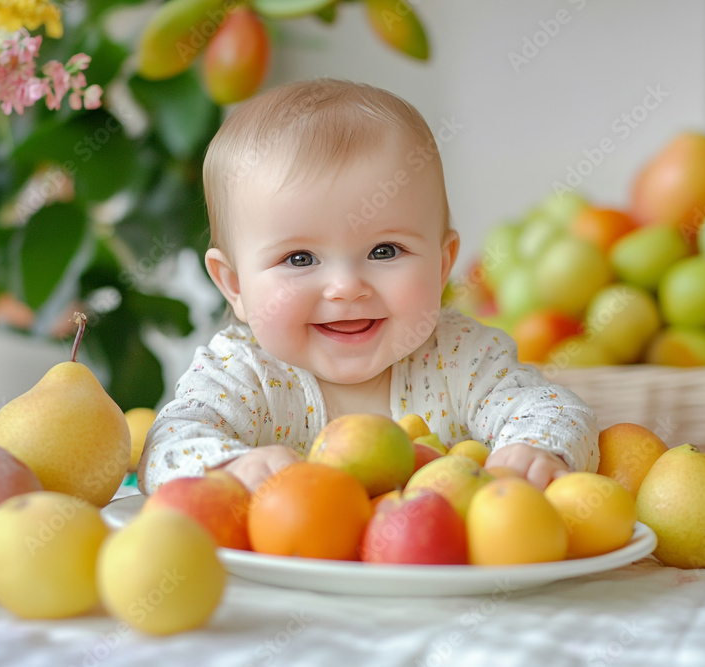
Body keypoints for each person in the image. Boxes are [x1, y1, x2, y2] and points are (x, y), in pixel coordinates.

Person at [138, 78, 599, 496]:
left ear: (442, 266)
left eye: (384, 251)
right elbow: (167, 448)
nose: (345, 287)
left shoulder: (462, 358)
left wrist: (536, 452)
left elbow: (554, 410)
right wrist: (232, 467)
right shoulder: (242, 373)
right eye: (300, 259)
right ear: (234, 285)